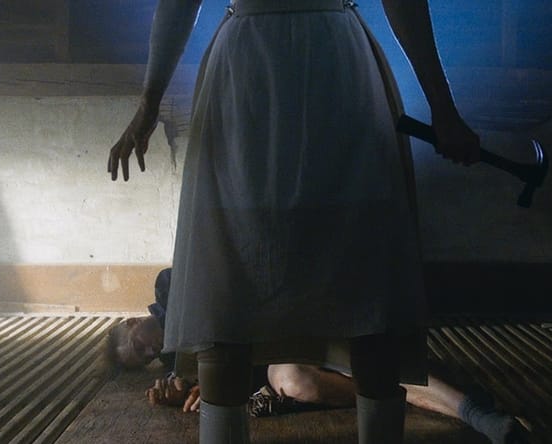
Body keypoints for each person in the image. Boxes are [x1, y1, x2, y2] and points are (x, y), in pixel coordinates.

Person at [108, 1, 480, 443]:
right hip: (308, 60)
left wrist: (150, 102)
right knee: (256, 284)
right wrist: (441, 106)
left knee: (350, 286)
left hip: (277, 64)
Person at [108, 269, 530, 444]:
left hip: (289, 317)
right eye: (144, 358)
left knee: (361, 353)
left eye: (138, 344)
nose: (149, 351)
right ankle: (406, 393)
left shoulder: (168, 286)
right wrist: (195, 390)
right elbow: (244, 377)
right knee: (296, 381)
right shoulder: (175, 364)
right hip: (270, 361)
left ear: (130, 322)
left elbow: (224, 302)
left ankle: (474, 411)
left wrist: (204, 367)